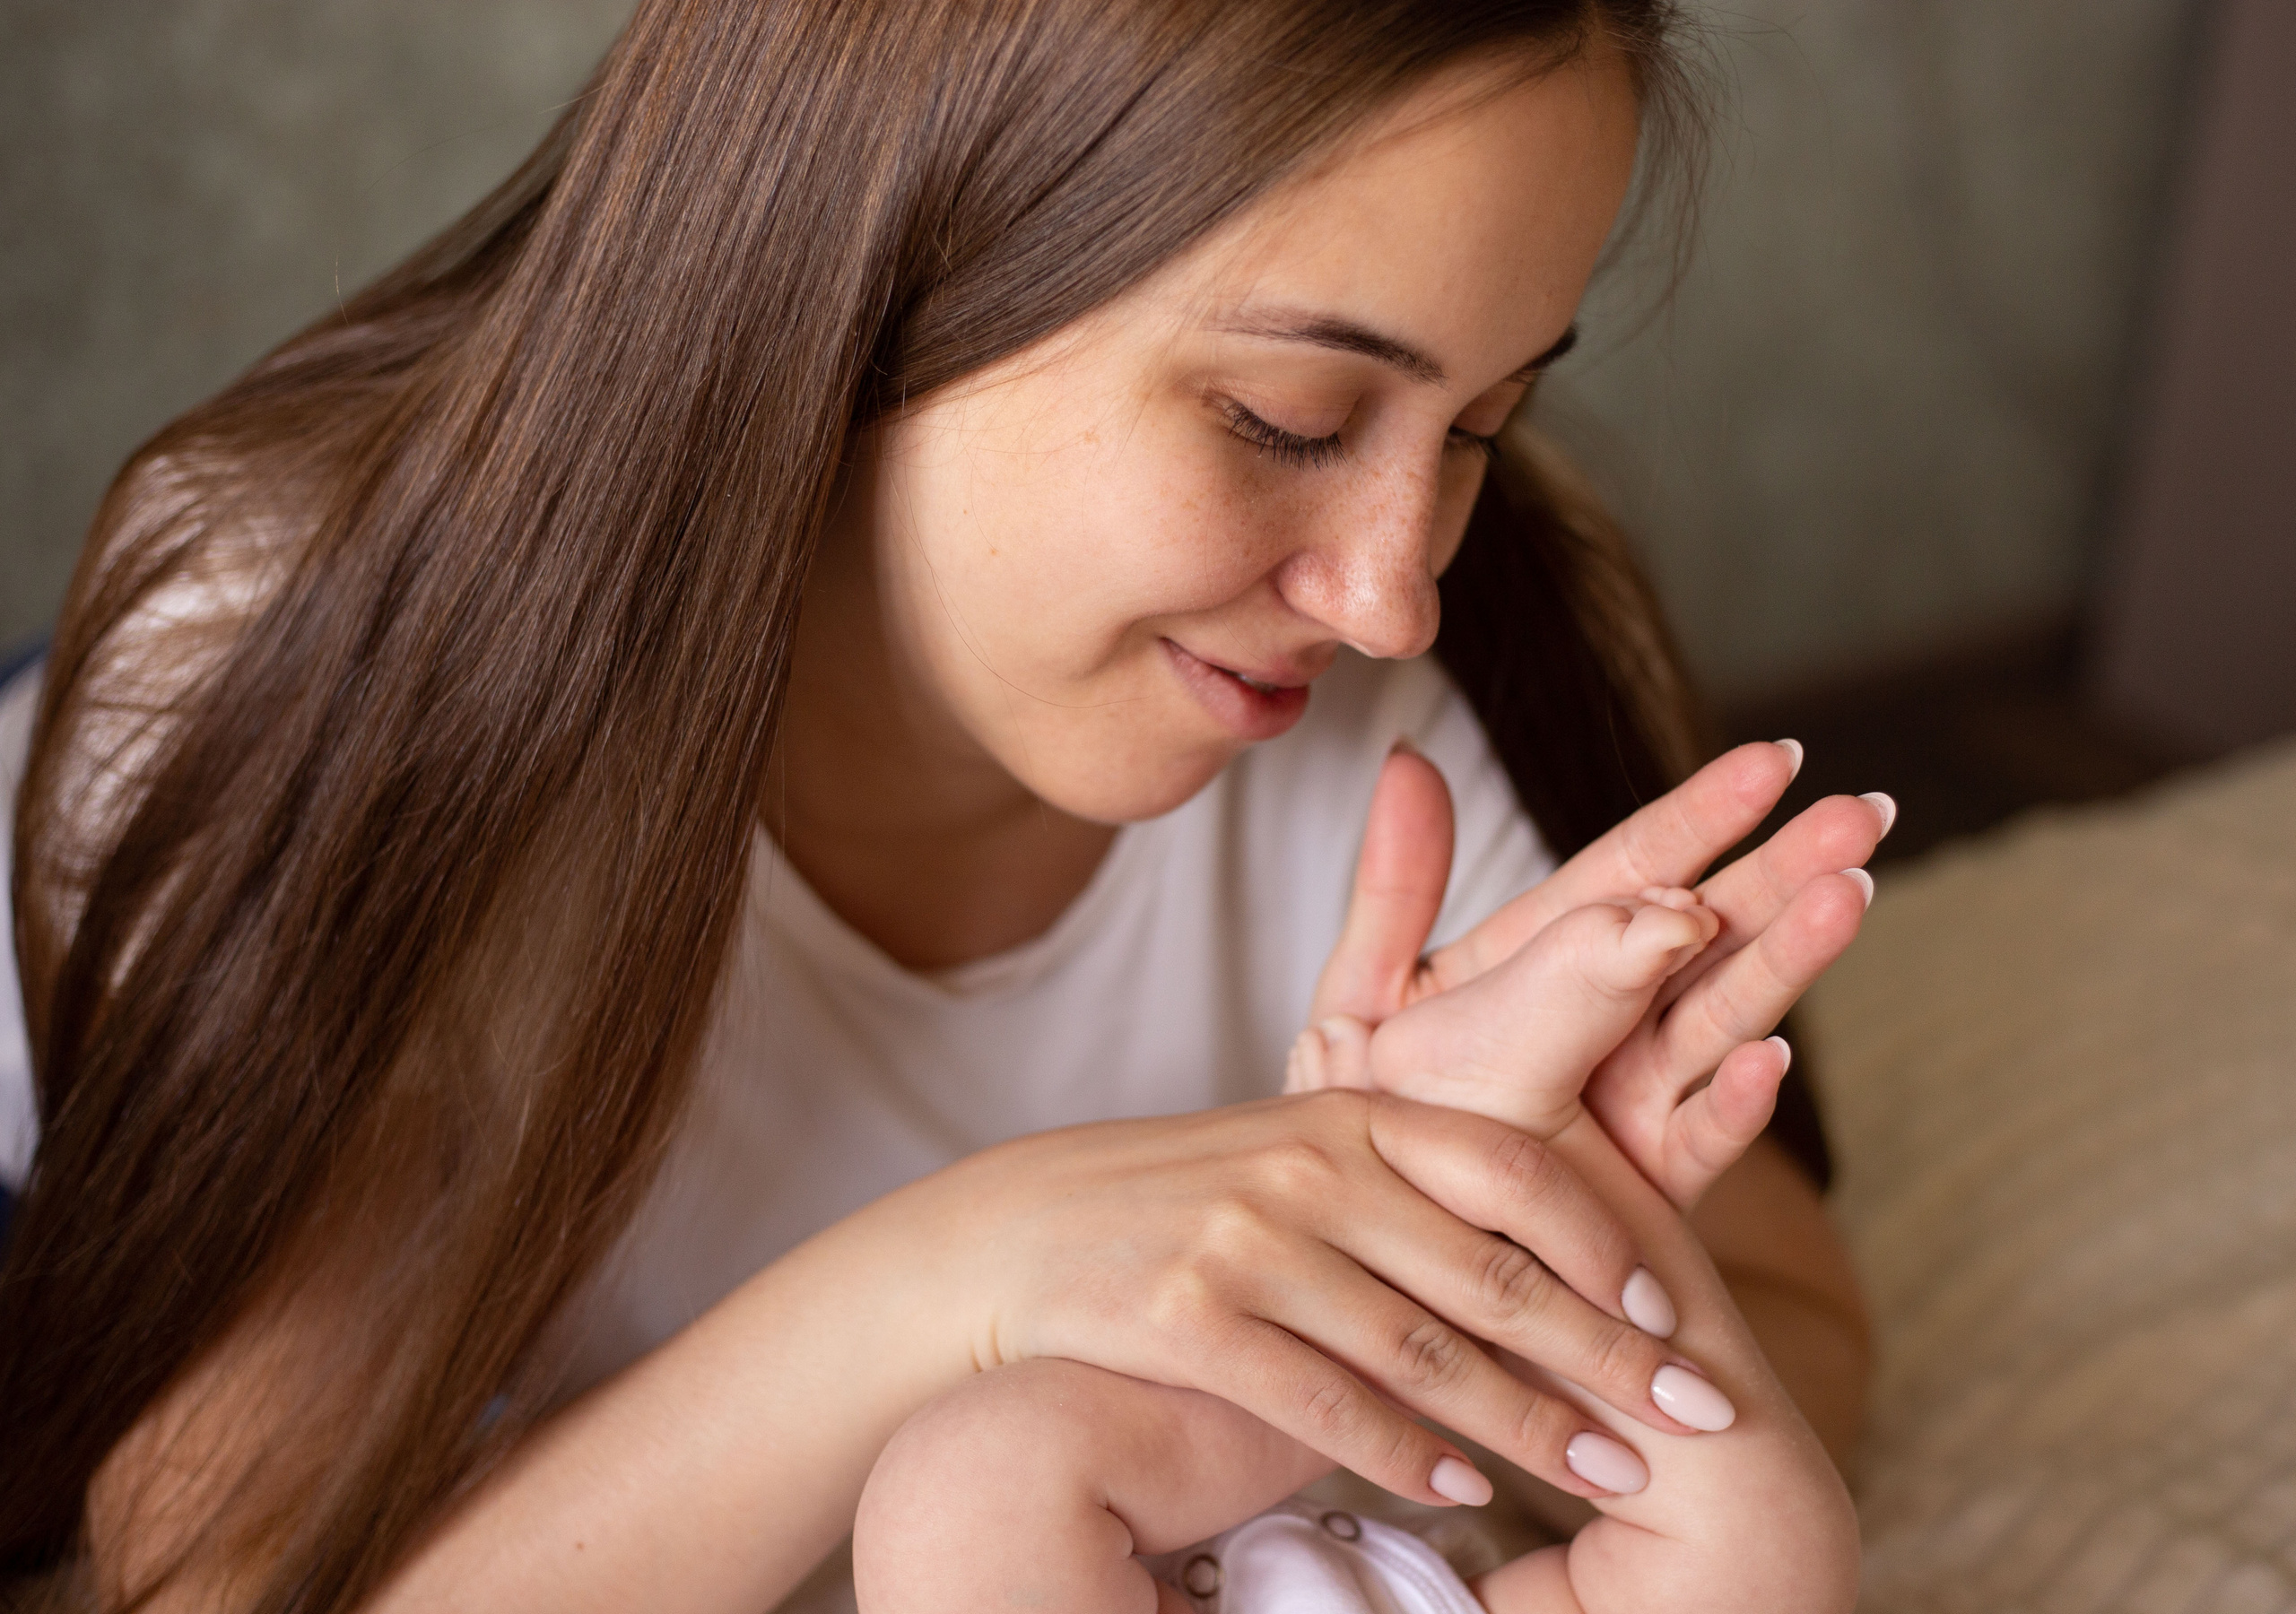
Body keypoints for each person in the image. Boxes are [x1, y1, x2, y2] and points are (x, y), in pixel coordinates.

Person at [0, 3, 1885, 1610]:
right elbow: (230, 1579)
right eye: (1289, 418)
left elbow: (1798, 1342)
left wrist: (1489, 1254)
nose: (1393, 587)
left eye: (1478, 427)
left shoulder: (1432, 694)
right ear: (875, 272)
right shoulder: (302, 651)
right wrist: (960, 1280)